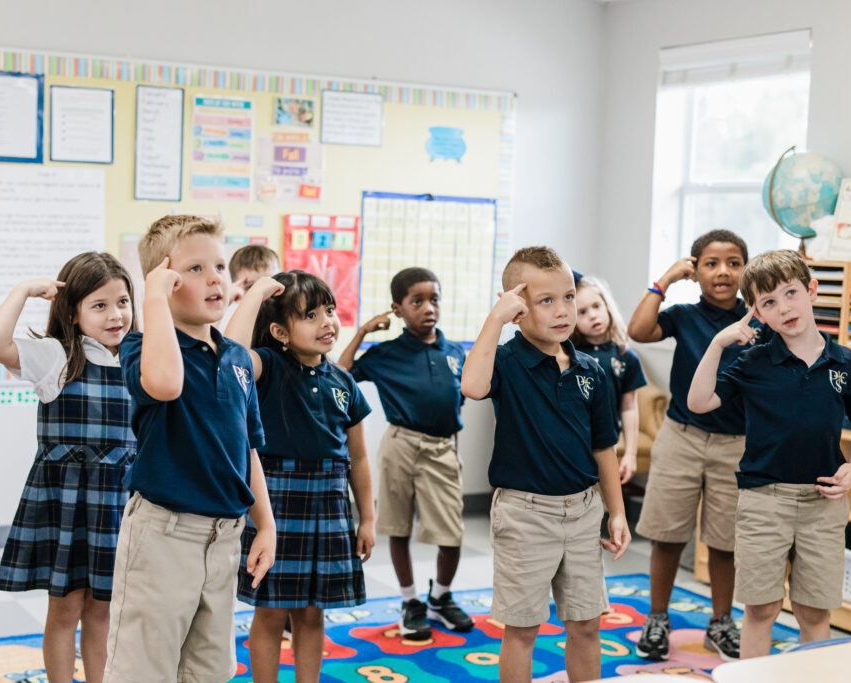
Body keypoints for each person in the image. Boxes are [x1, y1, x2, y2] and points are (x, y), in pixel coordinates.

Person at [104, 214, 276, 683]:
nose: (215, 277)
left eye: (219, 266)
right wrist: (153, 296)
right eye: (195, 269)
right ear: (164, 278)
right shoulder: (141, 347)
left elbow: (248, 448)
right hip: (163, 537)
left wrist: (266, 524)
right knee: (144, 669)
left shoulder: (238, 359)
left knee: (210, 670)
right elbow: (164, 383)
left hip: (224, 538)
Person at [687, 249, 851, 658]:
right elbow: (700, 402)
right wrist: (719, 344)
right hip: (763, 501)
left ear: (811, 289)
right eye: (768, 302)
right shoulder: (752, 362)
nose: (784, 307)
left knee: (813, 611)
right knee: (762, 608)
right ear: (756, 312)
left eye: (790, 293)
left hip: (823, 503)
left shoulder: (845, 362)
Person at [461, 246, 630, 683]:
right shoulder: (506, 362)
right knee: (522, 629)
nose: (563, 311)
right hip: (525, 514)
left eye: (569, 297)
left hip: (583, 511)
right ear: (518, 307)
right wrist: (495, 319)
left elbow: (604, 447)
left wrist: (617, 512)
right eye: (546, 301)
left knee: (586, 623)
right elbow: (472, 386)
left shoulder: (590, 369)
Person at [0, 252, 138, 683]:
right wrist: (23, 291)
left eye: (122, 302)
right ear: (73, 311)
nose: (115, 315)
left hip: (118, 502)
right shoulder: (57, 356)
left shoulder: (138, 358)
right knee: (65, 607)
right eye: (100, 305)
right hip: (66, 501)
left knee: (103, 610)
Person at [227, 270, 375, 683]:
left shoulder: (344, 382)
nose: (327, 321)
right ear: (280, 331)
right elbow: (231, 356)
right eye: (311, 315)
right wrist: (254, 294)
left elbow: (358, 458)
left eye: (329, 310)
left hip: (329, 504)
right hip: (275, 502)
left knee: (312, 613)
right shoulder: (269, 366)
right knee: (270, 612)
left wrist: (368, 517)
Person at [627, 229, 760, 661]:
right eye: (711, 263)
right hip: (681, 438)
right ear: (695, 269)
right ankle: (658, 619)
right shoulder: (683, 315)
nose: (723, 271)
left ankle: (721, 623)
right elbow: (639, 330)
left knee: (725, 543)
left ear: (745, 269)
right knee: (667, 536)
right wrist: (664, 281)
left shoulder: (759, 318)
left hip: (736, 445)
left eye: (734, 262)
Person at [339, 267, 473, 639]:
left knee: (452, 533)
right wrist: (363, 332)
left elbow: (454, 408)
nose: (428, 308)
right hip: (401, 444)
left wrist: (455, 450)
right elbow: (339, 373)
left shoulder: (454, 353)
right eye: (417, 301)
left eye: (434, 299)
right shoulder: (385, 354)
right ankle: (410, 600)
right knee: (397, 526)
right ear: (398, 309)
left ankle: (441, 597)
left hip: (443, 447)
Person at [571, 275, 647, 484]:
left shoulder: (626, 356)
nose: (593, 316)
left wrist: (630, 454)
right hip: (571, 441)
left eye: (597, 306)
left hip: (606, 443)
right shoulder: (568, 355)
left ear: (607, 306)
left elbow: (629, 408)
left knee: (601, 500)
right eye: (583, 312)